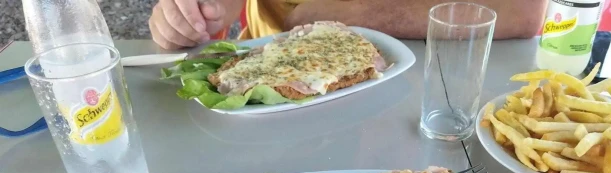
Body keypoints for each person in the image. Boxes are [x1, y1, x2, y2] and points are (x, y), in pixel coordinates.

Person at [149, 0, 548, 49]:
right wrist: (191, 14)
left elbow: (525, 13)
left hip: (426, 84)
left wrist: (352, 15)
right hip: (271, 77)